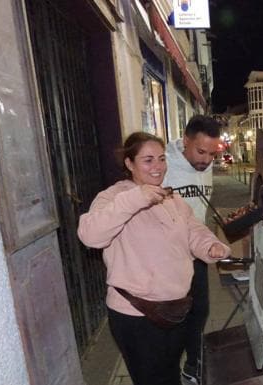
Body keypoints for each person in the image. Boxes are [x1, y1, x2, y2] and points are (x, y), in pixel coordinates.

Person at [77, 132, 230, 385]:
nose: (157, 167)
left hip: (174, 309)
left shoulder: (171, 197)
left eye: (161, 159)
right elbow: (90, 236)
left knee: (169, 374)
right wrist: (136, 199)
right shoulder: (113, 197)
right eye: (148, 160)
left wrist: (210, 245)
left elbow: (192, 229)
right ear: (129, 164)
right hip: (136, 315)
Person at [162, 115, 222, 385]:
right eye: (200, 151)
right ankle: (167, 372)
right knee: (173, 318)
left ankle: (193, 367)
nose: (206, 160)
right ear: (185, 140)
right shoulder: (161, 164)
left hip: (196, 253)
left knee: (201, 310)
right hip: (167, 258)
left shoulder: (204, 164)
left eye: (212, 153)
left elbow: (198, 212)